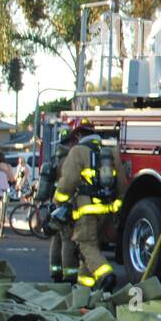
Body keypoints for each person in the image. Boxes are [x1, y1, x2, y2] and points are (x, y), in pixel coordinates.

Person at [50, 121, 125, 292]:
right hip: (106, 211)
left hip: (86, 211)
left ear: (78, 136)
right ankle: (84, 290)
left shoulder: (77, 152)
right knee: (90, 250)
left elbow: (67, 183)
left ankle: (106, 275)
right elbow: (121, 184)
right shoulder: (111, 153)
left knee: (85, 244)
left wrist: (58, 201)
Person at [37, 129, 79, 282]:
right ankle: (70, 274)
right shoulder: (69, 159)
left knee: (56, 239)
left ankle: (56, 271)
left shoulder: (56, 157)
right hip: (65, 205)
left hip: (54, 205)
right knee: (67, 238)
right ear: (71, 142)